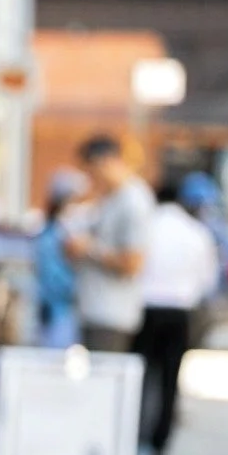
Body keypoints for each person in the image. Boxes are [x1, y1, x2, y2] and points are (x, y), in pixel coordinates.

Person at [132, 180, 218, 455]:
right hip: (180, 312)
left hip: (145, 310)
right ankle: (158, 445)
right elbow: (207, 279)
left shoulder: (148, 226)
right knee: (169, 381)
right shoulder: (197, 232)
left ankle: (132, 441)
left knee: (140, 379)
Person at [64, 135, 154, 352]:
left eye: (89, 171)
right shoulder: (109, 198)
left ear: (103, 162)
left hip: (111, 315)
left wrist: (88, 248)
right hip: (94, 310)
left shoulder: (133, 200)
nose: (88, 179)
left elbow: (133, 262)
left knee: (104, 380)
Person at [33, 169, 88, 349]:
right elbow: (52, 278)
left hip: (63, 311)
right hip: (58, 311)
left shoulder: (60, 230)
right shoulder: (54, 234)